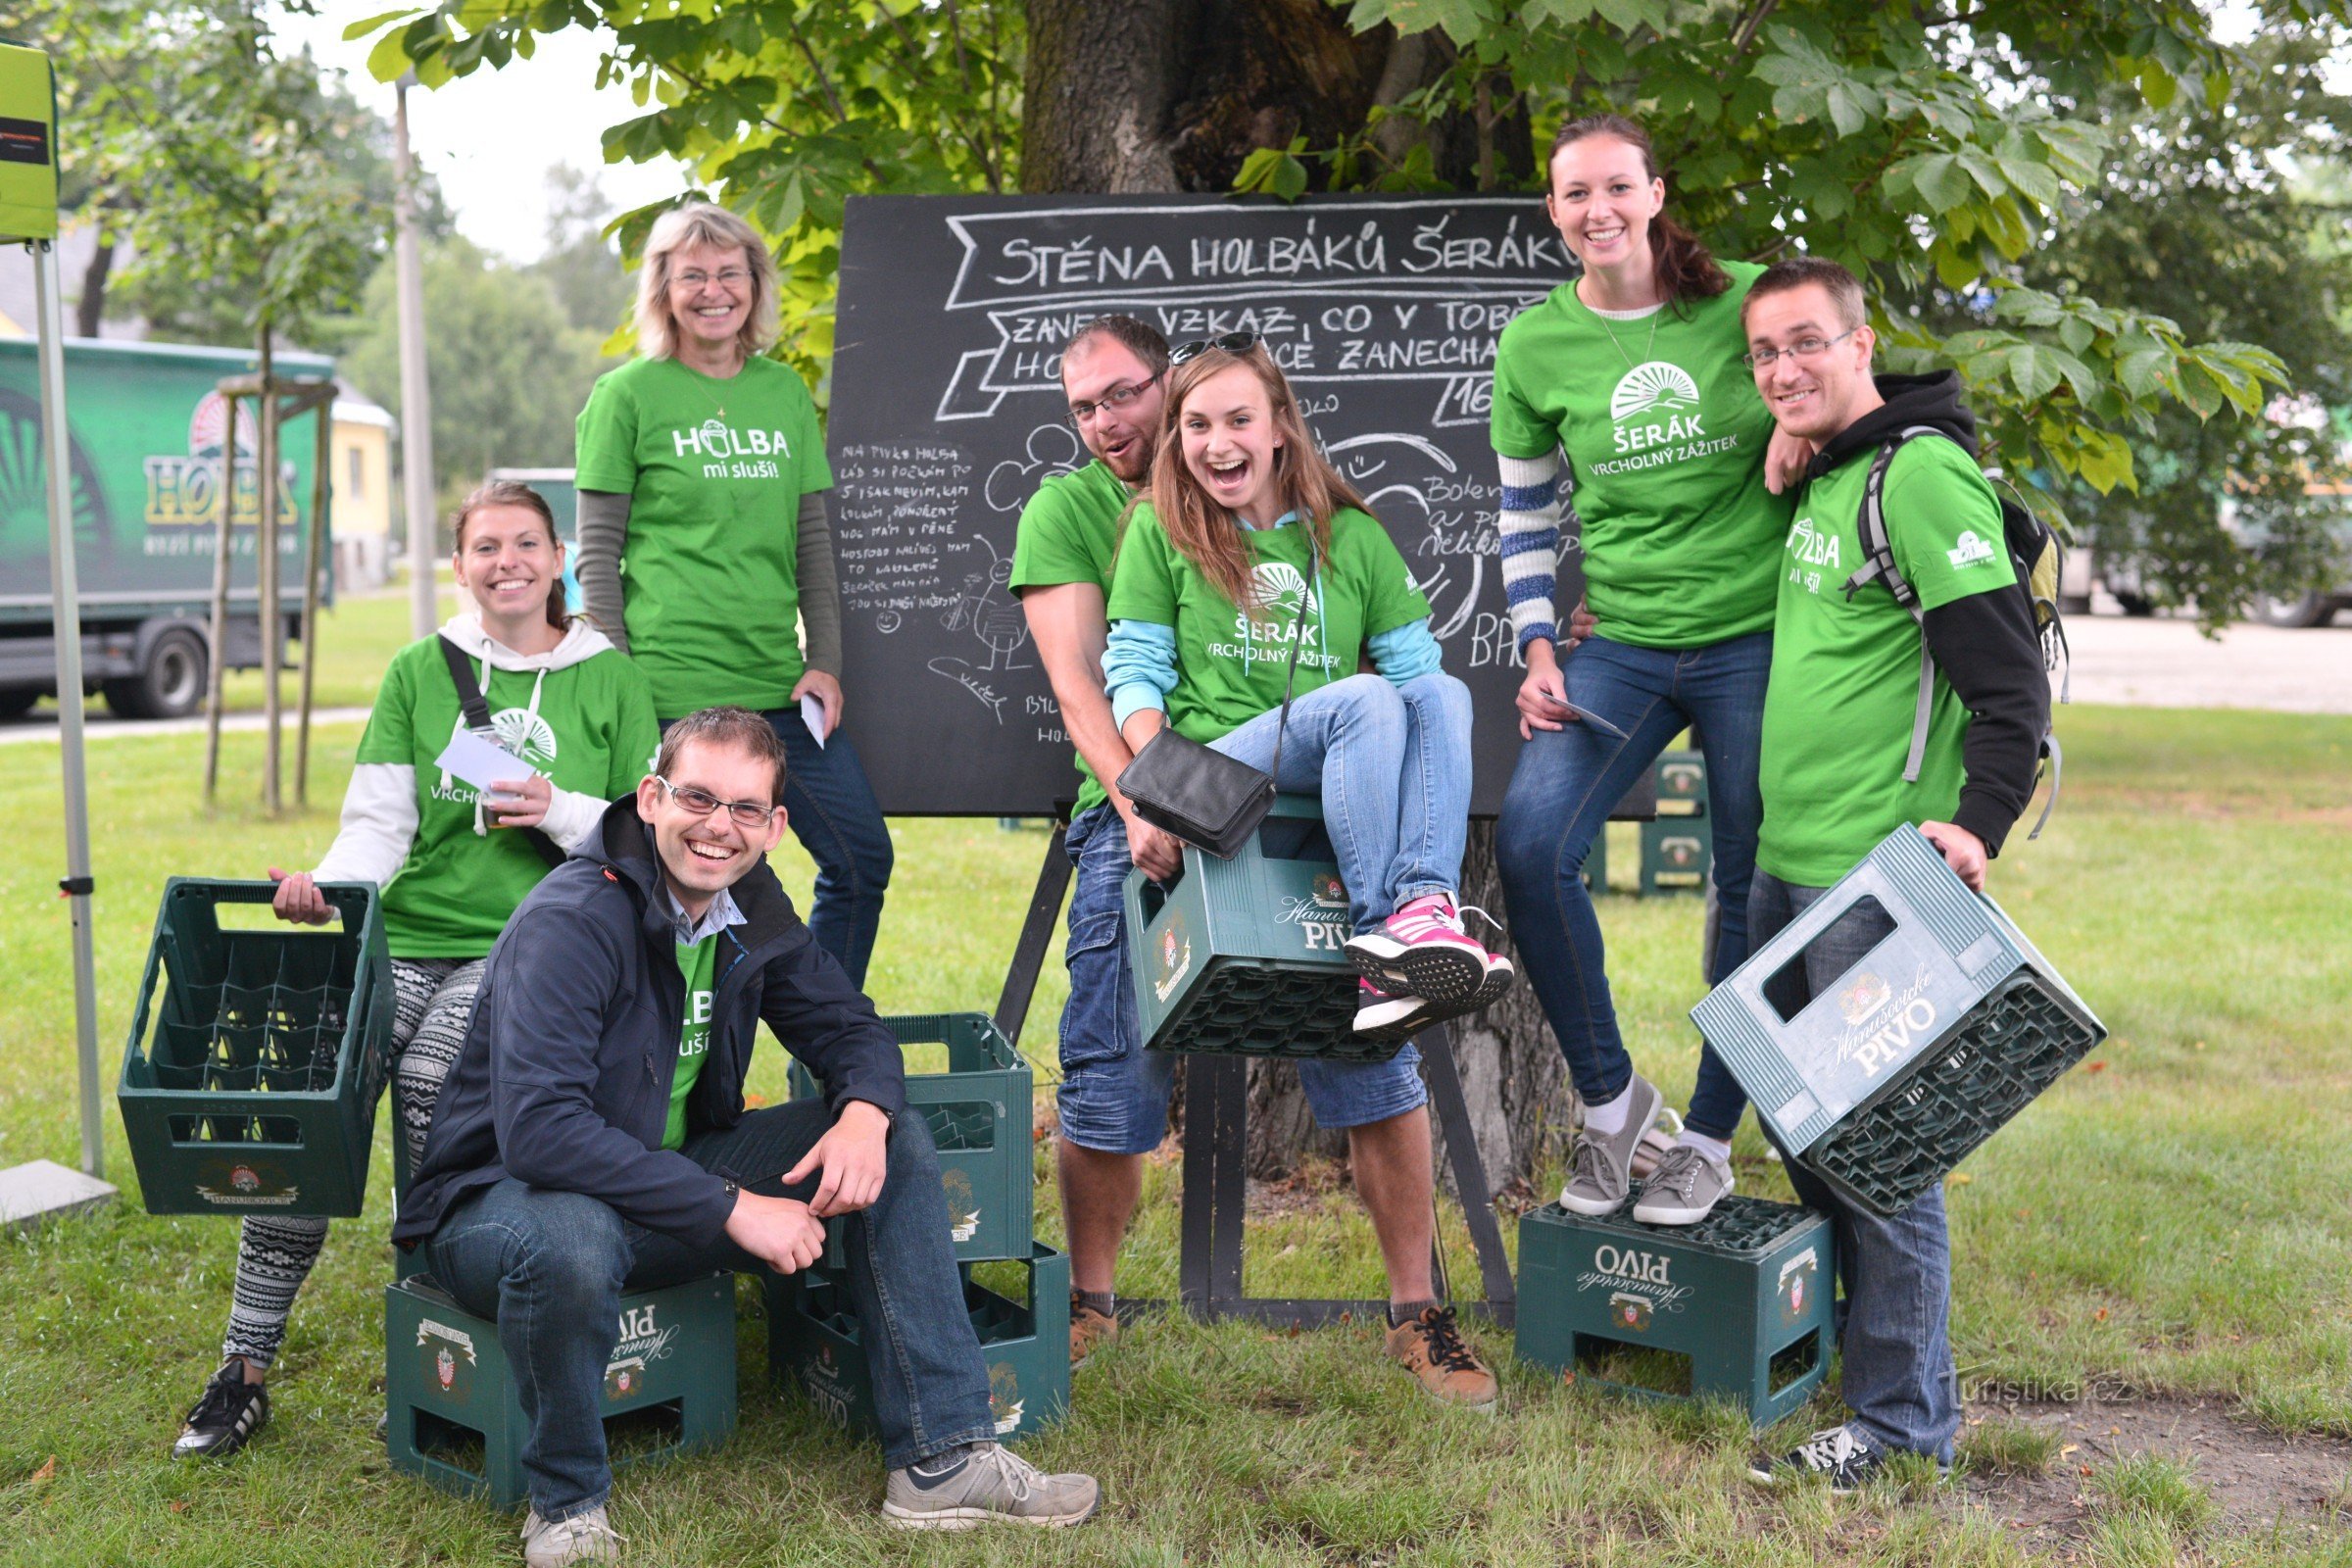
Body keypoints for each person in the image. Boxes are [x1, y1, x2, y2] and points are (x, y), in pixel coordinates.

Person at [393, 708, 1101, 1562]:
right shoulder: (572, 919)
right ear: (652, 798)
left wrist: (865, 1115)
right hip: (502, 1206)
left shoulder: (748, 903)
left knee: (896, 1139)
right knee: (570, 1237)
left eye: (744, 809)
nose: (718, 827)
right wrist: (732, 1205)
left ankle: (942, 1459)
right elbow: (542, 1135)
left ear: (775, 827)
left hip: (657, 1181)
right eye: (697, 797)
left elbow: (851, 1028)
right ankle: (568, 1505)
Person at [173, 481, 660, 1461]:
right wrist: (325, 887)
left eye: (526, 542)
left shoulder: (613, 679)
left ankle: (442, 1350)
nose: (507, 560)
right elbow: (378, 828)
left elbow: (651, 837)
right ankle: (244, 1368)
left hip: (534, 946)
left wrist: (556, 808)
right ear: (459, 564)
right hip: (408, 936)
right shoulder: (417, 671)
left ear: (560, 557)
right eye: (486, 546)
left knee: (441, 1088)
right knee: (317, 1105)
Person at [1101, 333, 1509, 1406]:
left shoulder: (1356, 538)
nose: (1216, 442)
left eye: (1238, 420)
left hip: (1328, 808)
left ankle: (1414, 918)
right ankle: (1399, 926)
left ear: (1282, 425)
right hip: (1213, 783)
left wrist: (1426, 719)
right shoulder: (1162, 530)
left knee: (1444, 696)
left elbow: (1426, 692)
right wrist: (1156, 789)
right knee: (1370, 699)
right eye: (1195, 425)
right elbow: (1133, 676)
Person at [1737, 256, 2047, 1488]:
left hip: (1876, 875)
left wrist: (1978, 825)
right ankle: (1878, 1370)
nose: (1783, 370)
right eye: (1764, 353)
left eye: (1806, 343)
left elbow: (2007, 677)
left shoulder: (1918, 475)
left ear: (1861, 343)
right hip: (1790, 858)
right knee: (1807, 1124)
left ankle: (1904, 1425)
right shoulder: (1831, 478)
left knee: (1879, 1148)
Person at [1490, 113, 1809, 1227]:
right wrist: (1537, 643)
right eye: (1576, 193)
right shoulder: (1535, 346)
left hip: (1756, 639)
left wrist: (1796, 420)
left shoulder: (1745, 302)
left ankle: (1712, 1139)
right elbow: (1526, 513)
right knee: (1532, 841)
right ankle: (1615, 1102)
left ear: (1656, 193)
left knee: (1746, 877)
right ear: (1555, 211)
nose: (1599, 210)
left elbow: (1845, 366)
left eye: (1618, 187)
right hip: (1617, 641)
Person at [574, 200, 894, 986]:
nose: (713, 290)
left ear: (755, 284)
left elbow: (813, 544)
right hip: (669, 693)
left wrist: (825, 660)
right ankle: (685, 1065)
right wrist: (619, 681)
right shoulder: (627, 397)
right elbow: (598, 556)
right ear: (664, 289)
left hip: (778, 693)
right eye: (693, 276)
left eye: (729, 273)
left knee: (861, 860)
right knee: (679, 894)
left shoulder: (783, 394)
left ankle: (829, 1049)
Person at [1009, 315, 1185, 1364]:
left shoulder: (1242, 471)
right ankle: (1091, 1299)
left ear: (1170, 380)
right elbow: (1078, 691)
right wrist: (1136, 805)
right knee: (1108, 1055)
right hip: (1130, 802)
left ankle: (1412, 1307)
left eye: (1123, 393)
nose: (1105, 422)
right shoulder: (1066, 510)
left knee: (1368, 1046)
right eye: (1083, 406)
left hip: (1271, 793)